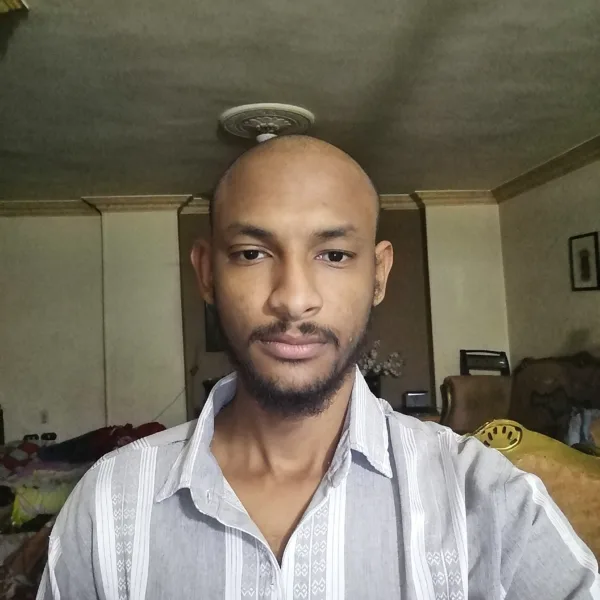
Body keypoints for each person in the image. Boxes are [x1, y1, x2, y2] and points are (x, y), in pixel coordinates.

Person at [38, 136, 599, 599]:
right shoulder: (110, 504)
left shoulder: (489, 501)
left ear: (378, 275)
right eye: (252, 253)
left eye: (333, 255)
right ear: (207, 274)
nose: (293, 299)